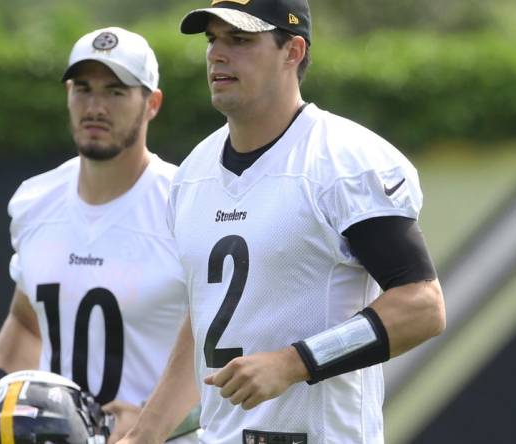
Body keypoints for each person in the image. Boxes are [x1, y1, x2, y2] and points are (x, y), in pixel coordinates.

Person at [119, 1, 446, 443]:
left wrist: (294, 363)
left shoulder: (343, 160)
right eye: (212, 39)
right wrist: (145, 433)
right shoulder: (193, 173)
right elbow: (203, 317)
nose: (217, 54)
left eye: (240, 40)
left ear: (292, 51)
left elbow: (422, 306)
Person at [0, 27, 198, 444]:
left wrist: (156, 420)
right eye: (82, 88)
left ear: (152, 103)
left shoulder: (187, 203)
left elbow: (228, 345)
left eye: (116, 92)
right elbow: (28, 321)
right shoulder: (35, 198)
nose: (95, 106)